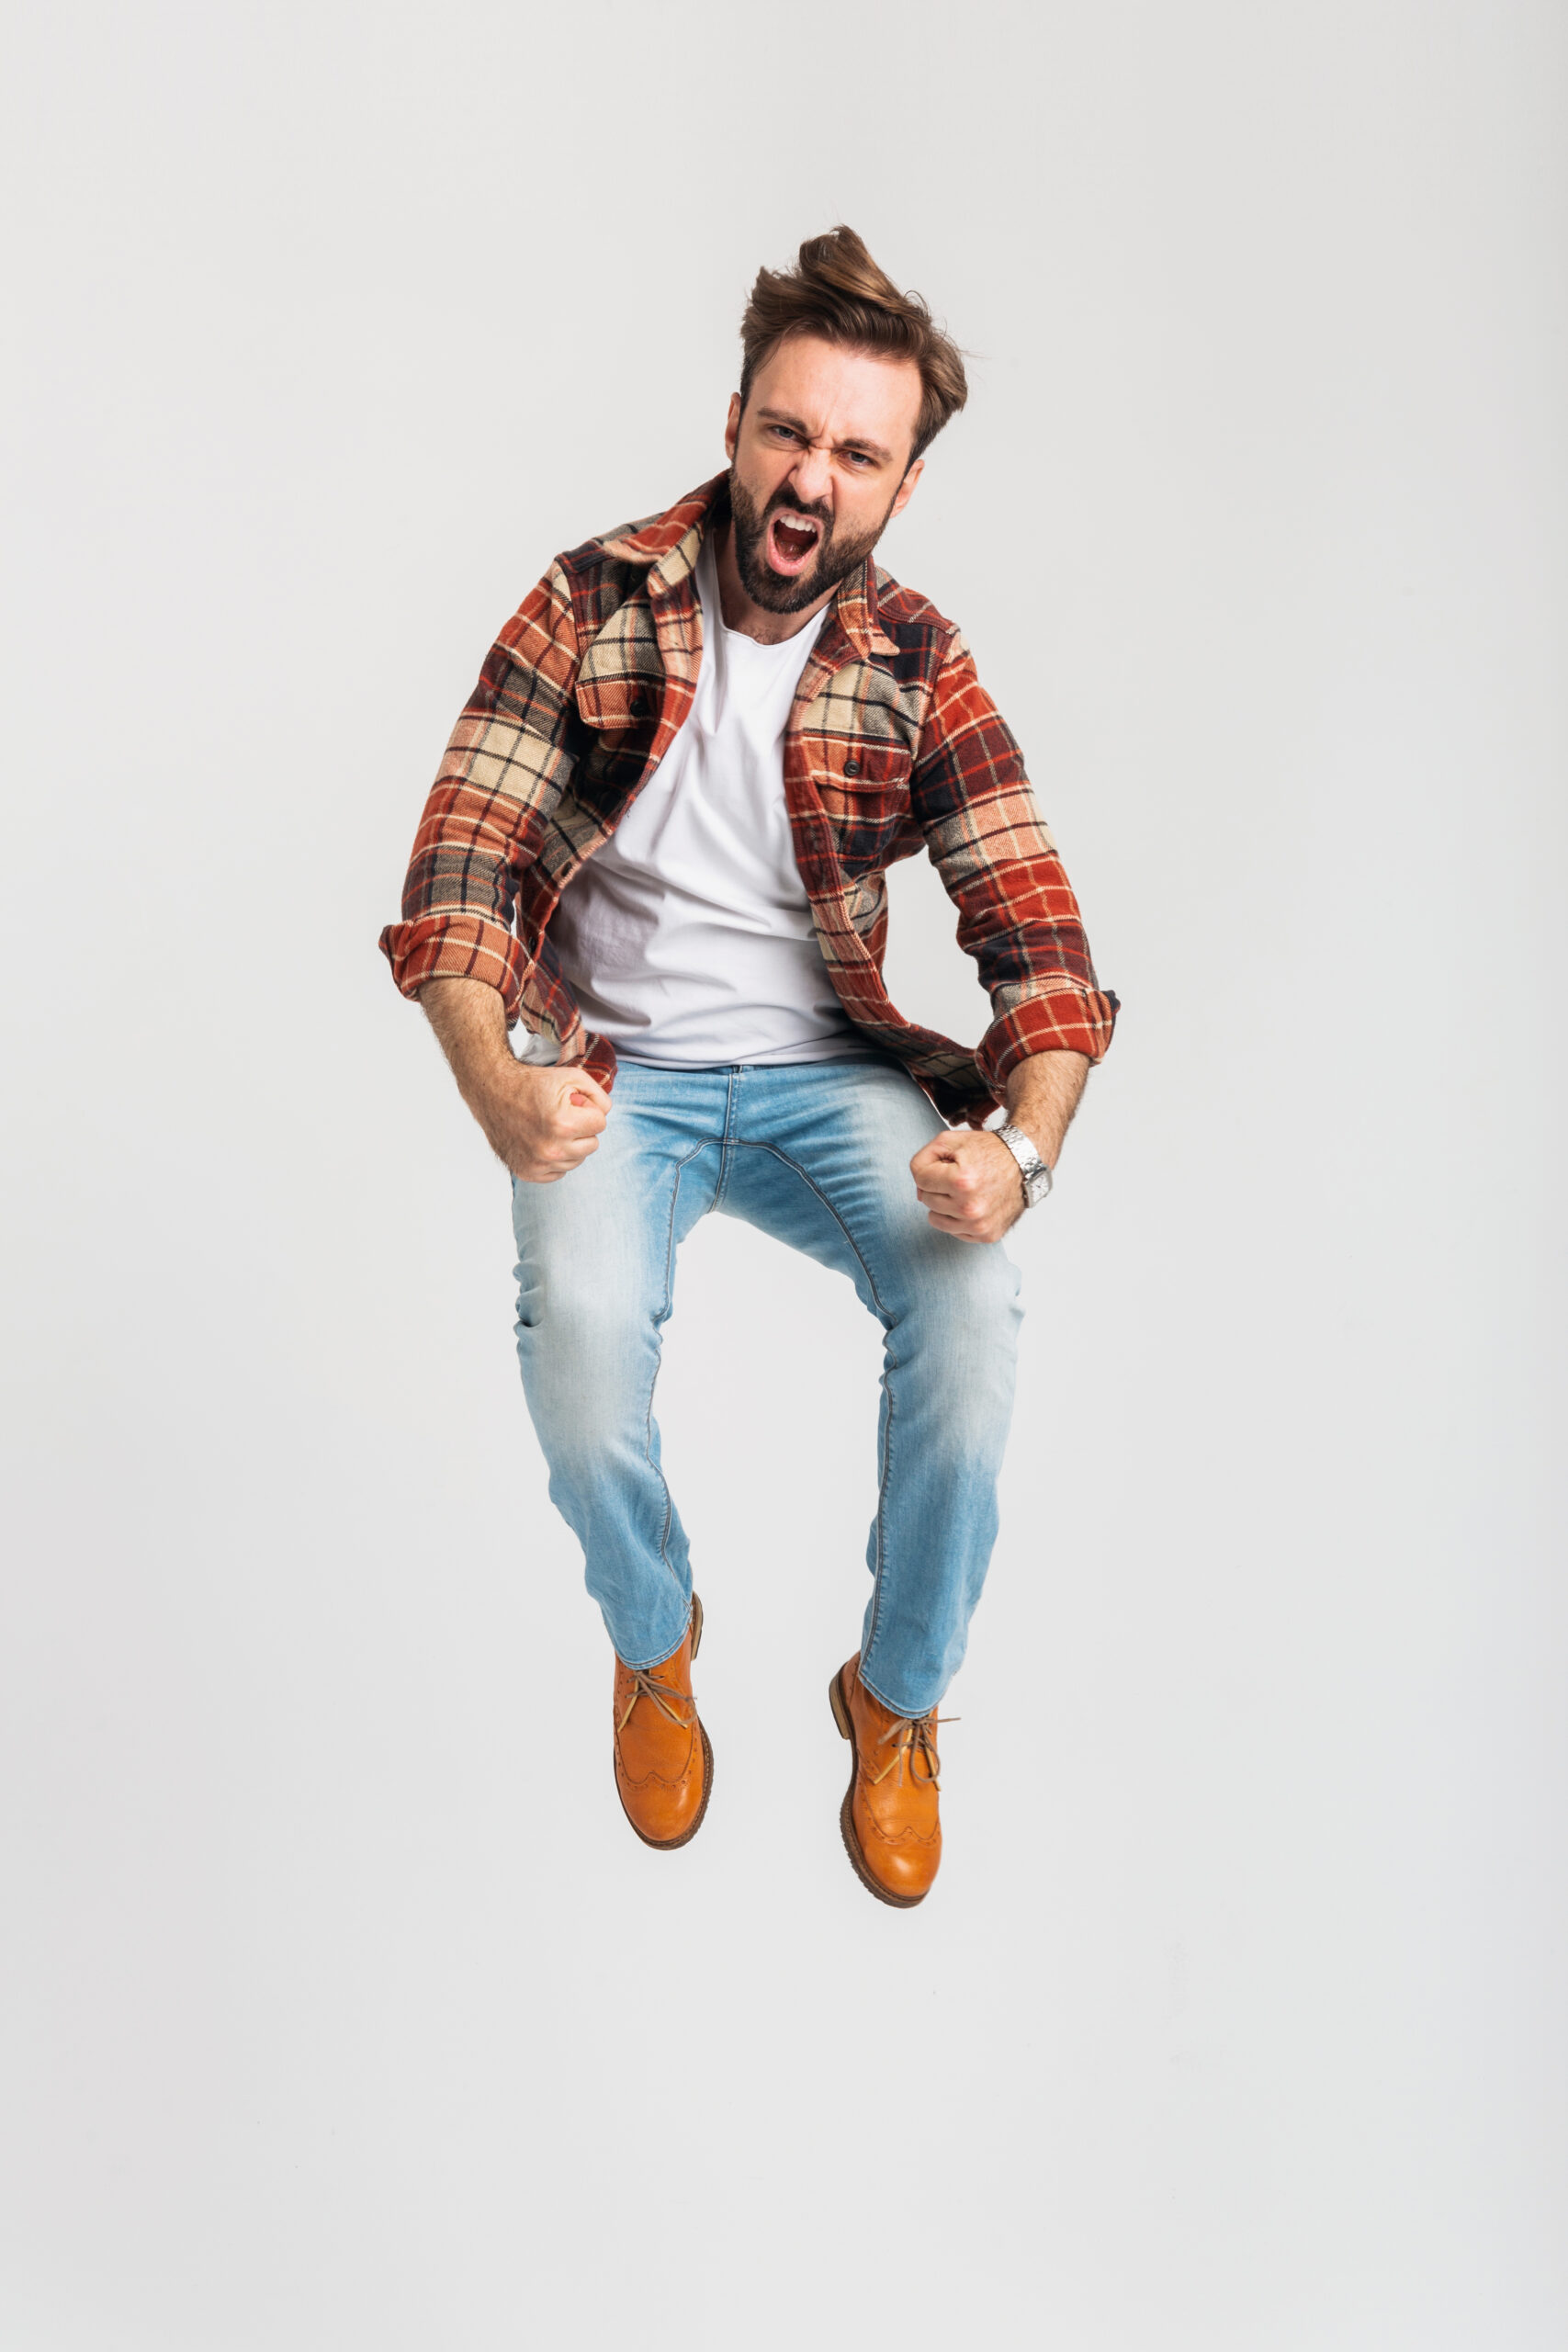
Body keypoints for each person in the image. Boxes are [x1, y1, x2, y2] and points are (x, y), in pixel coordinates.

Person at [380, 227, 1117, 1906]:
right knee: (575, 1362)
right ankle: (656, 1643)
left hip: (819, 1084)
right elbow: (458, 864)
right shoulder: (595, 599)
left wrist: (1024, 1152)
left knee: (976, 1306)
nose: (811, 479)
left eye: (857, 454)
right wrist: (503, 1089)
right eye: (791, 433)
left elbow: (1043, 938)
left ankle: (898, 1697)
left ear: (896, 491)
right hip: (610, 1078)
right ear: (735, 426)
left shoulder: (916, 662)